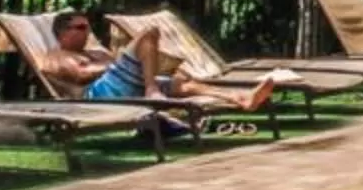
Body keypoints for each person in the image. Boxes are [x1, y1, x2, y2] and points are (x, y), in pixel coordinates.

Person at [38, 9, 274, 113]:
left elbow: (119, 68)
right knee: (149, 34)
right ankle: (152, 90)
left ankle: (240, 98)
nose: (87, 32)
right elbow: (80, 74)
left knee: (183, 82)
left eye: (88, 27)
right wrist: (116, 65)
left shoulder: (95, 53)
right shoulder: (55, 56)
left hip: (121, 86)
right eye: (80, 28)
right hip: (97, 95)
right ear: (63, 33)